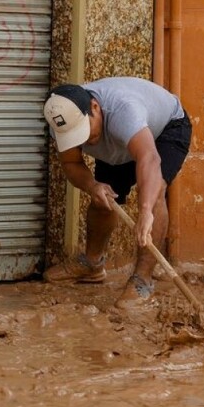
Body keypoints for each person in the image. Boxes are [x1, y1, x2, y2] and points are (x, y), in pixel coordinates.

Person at [42, 77, 191, 308]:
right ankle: (92, 265)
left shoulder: (124, 111)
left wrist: (144, 211)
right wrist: (93, 186)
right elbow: (71, 164)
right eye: (76, 137)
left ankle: (142, 280)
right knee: (103, 199)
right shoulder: (62, 120)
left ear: (95, 107)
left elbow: (148, 158)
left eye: (84, 131)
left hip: (165, 130)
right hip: (118, 144)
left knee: (154, 195)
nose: (85, 141)